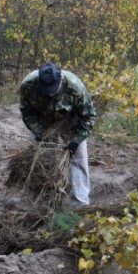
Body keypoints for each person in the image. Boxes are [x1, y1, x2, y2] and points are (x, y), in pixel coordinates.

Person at [20, 63, 96, 206]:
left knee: (79, 159)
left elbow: (89, 117)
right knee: (43, 160)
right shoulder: (28, 85)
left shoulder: (75, 87)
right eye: (46, 90)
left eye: (53, 90)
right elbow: (27, 112)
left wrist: (76, 140)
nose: (50, 94)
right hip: (43, 120)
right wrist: (38, 132)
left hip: (70, 118)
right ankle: (44, 200)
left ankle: (80, 202)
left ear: (60, 80)